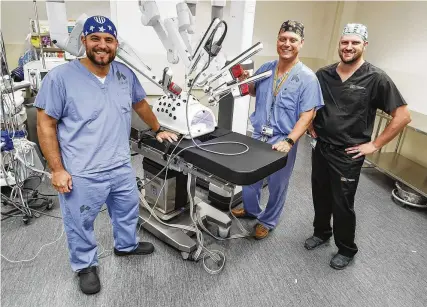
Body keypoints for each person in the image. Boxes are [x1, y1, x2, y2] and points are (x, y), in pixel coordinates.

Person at [35, 16, 177, 294]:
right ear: (84, 41)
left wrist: (158, 128)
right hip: (82, 169)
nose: (102, 45)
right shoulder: (60, 79)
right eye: (95, 38)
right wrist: (57, 170)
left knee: (126, 211)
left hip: (120, 165)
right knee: (81, 221)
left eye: (108, 40)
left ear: (116, 45)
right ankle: (85, 264)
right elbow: (45, 124)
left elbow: (140, 104)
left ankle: (126, 246)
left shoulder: (124, 75)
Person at [306, 23, 411, 269]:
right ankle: (321, 233)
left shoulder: (376, 78)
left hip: (349, 154)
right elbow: (312, 104)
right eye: (345, 42)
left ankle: (346, 248)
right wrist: (311, 125)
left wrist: (374, 144)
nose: (348, 47)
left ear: (364, 45)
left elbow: (403, 116)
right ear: (339, 44)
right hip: (321, 146)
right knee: (320, 194)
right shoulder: (324, 74)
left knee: (342, 202)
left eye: (355, 43)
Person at [232, 20, 324, 239]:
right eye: (283, 39)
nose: (287, 43)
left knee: (277, 183)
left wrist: (290, 141)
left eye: (292, 40)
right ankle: (251, 209)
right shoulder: (266, 69)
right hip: (258, 135)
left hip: (283, 139)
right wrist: (246, 81)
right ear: (277, 40)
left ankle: (268, 220)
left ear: (301, 43)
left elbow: (307, 115)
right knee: (251, 177)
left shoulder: (308, 78)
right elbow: (254, 92)